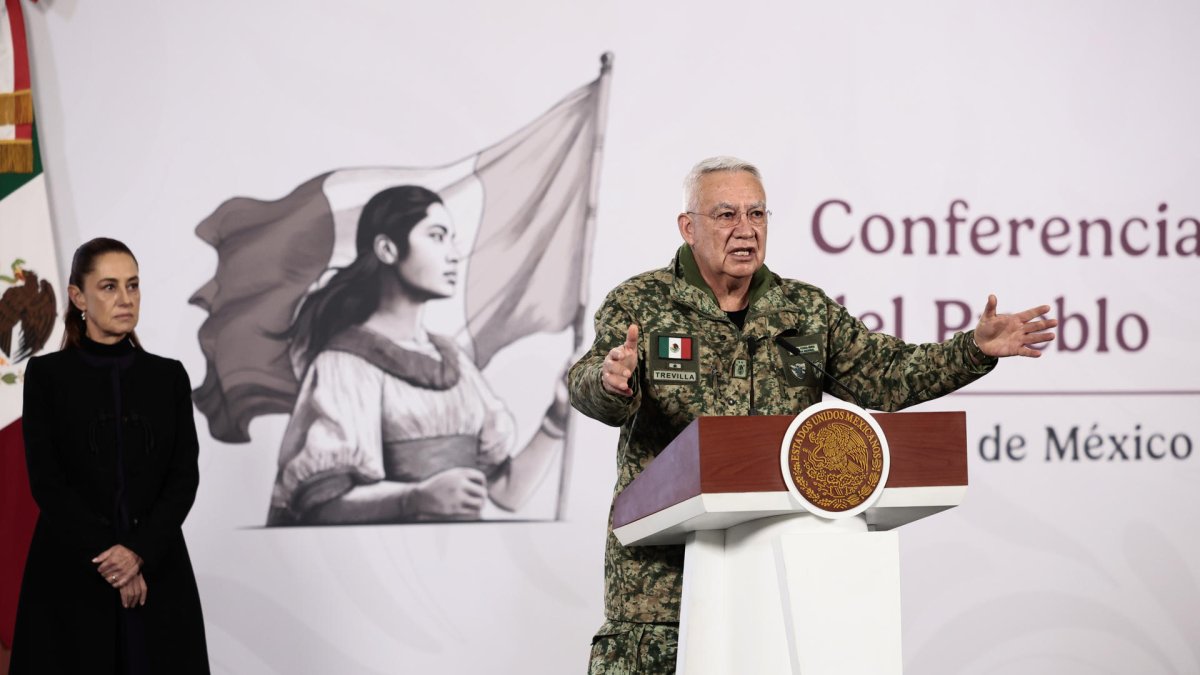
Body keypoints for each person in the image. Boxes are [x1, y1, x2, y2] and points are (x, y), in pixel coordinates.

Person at [567, 156, 1059, 673]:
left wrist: (973, 349)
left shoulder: (804, 310)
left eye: (757, 215)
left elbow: (887, 374)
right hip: (663, 592)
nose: (745, 230)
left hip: (777, 584)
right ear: (689, 227)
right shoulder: (642, 302)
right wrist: (609, 381)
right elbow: (588, 383)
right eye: (726, 215)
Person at [267, 185, 567, 525]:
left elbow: (507, 493)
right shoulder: (344, 363)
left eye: (452, 239)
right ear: (387, 249)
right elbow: (321, 506)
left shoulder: (453, 360)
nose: (453, 254)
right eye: (437, 236)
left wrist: (558, 416)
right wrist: (415, 498)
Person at [11, 238, 209, 674]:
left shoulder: (168, 376)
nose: (125, 299)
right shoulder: (47, 377)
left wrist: (138, 552)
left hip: (158, 569)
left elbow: (183, 478)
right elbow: (47, 480)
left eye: (133, 286)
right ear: (78, 296)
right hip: (71, 572)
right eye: (109, 287)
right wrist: (112, 558)